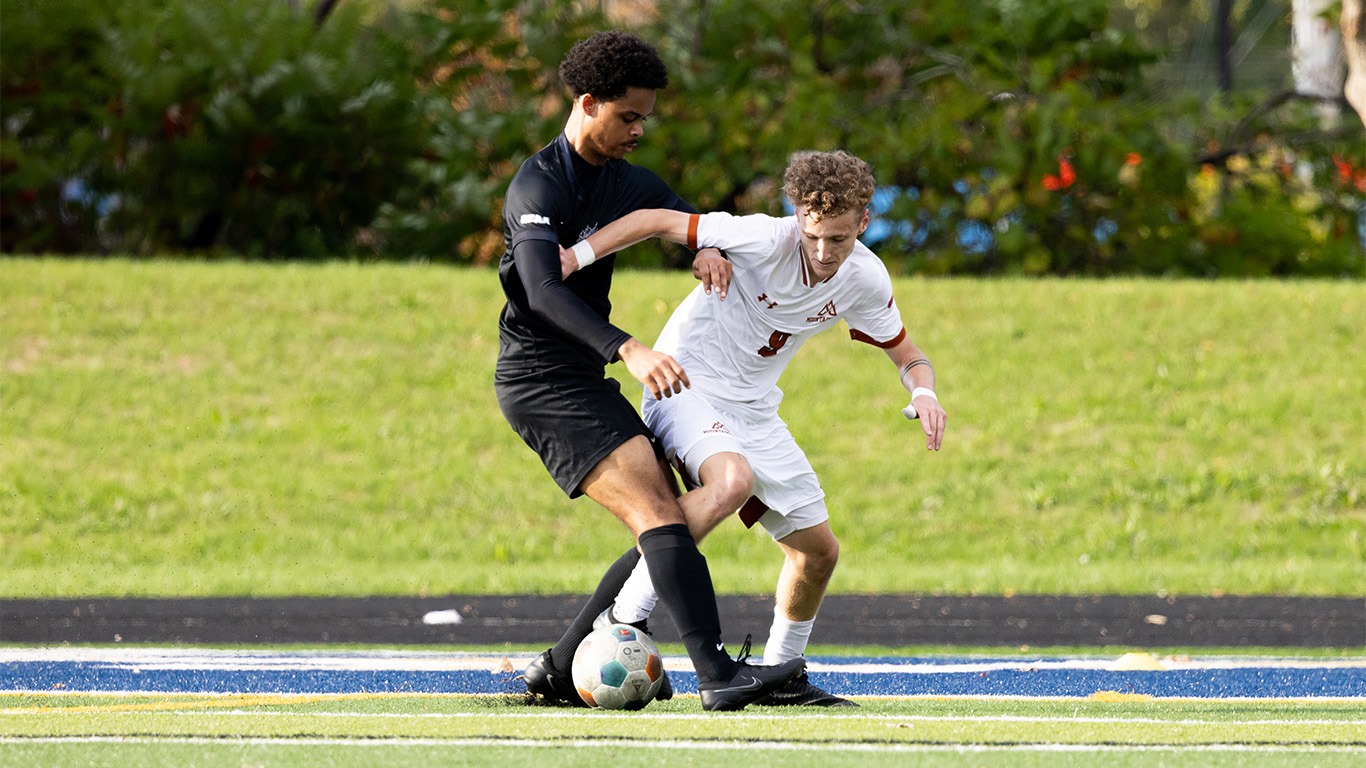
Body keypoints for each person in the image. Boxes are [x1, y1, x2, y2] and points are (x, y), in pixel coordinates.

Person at [560, 150, 948, 706]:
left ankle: (783, 673)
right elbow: (652, 219)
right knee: (731, 481)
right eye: (812, 235)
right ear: (796, 217)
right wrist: (574, 257)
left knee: (818, 553)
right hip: (685, 384)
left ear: (864, 222)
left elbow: (909, 356)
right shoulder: (763, 238)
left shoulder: (865, 277)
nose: (823, 252)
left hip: (755, 410)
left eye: (838, 238)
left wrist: (924, 393)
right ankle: (623, 618)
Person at [495, 30, 804, 712]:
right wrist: (627, 347)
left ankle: (561, 665)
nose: (639, 130)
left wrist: (705, 251)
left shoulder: (625, 180)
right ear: (587, 103)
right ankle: (716, 675)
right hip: (539, 381)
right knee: (660, 516)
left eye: (646, 118)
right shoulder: (537, 185)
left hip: (579, 377)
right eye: (628, 116)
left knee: (665, 520)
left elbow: (688, 221)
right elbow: (541, 290)